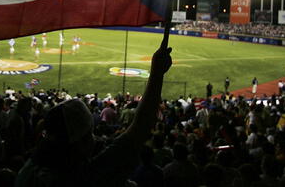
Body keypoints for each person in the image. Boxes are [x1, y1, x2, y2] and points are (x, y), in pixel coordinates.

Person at [15, 46, 173, 187]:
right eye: (89, 133)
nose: (95, 138)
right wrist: (157, 73)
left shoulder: (27, 171)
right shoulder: (86, 177)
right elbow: (140, 128)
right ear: (78, 142)